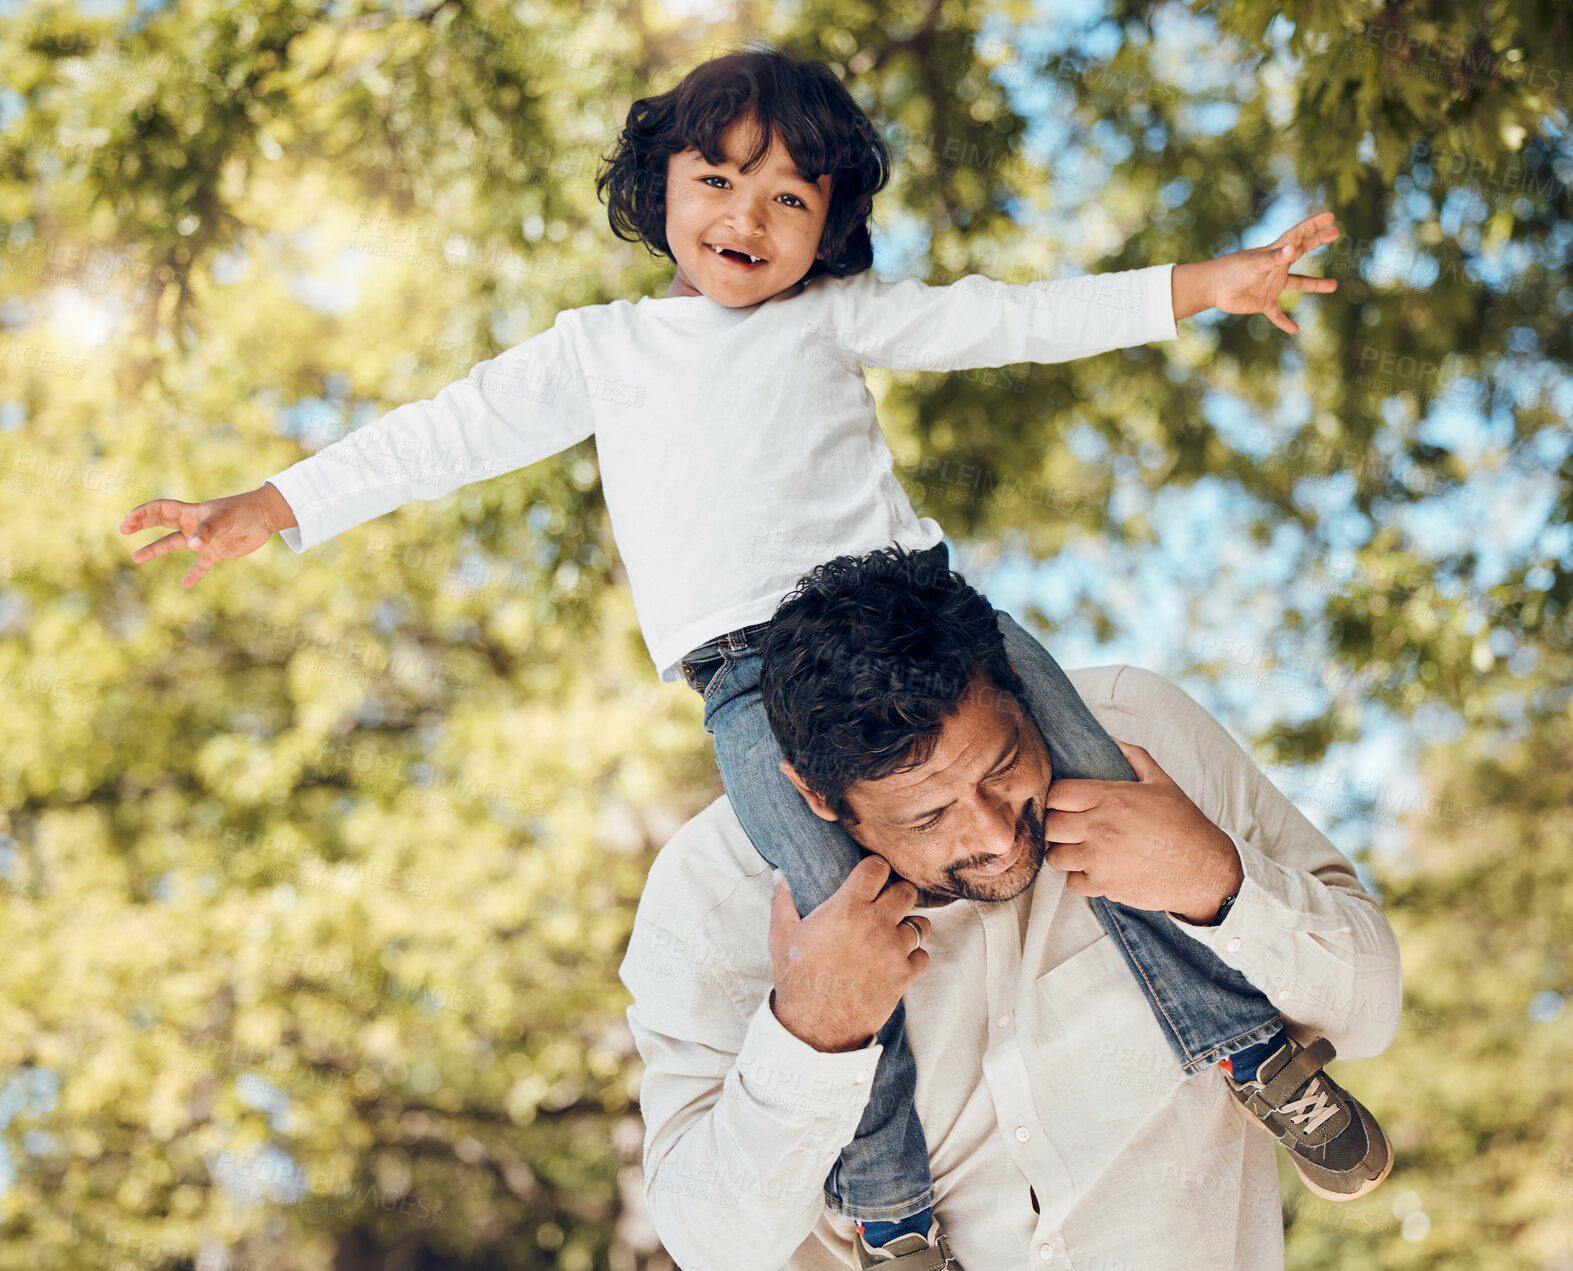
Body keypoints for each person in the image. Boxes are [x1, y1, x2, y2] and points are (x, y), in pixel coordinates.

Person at [115, 44, 1372, 1265]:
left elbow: (1012, 317)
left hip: (934, 628)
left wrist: (1207, 284)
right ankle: (893, 1221)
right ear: (657, 183)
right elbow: (447, 434)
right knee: (842, 932)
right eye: (717, 179)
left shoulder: (831, 318)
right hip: (750, 681)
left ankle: (1250, 1050)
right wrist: (274, 506)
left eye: (789, 196)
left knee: (1101, 796)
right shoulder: (599, 352)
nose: (747, 215)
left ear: (827, 226)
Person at [619, 543, 1403, 1271]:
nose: (993, 835)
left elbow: (1370, 1010)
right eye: (927, 816)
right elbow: (707, 1243)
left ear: (1022, 694)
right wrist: (812, 1033)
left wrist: (1214, 883)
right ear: (817, 796)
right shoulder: (711, 894)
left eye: (1002, 766)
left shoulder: (1135, 733)